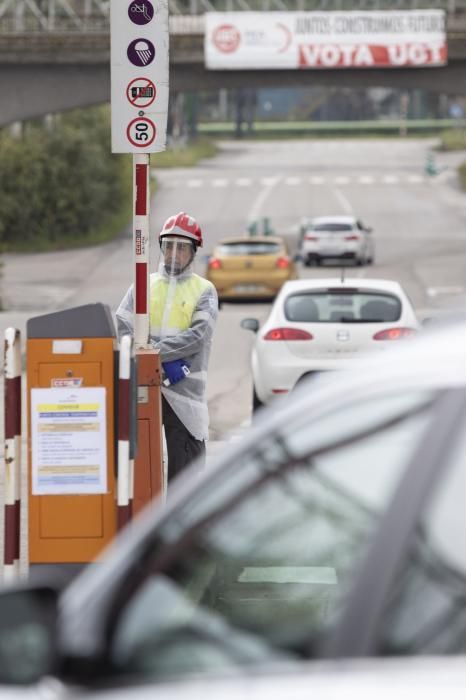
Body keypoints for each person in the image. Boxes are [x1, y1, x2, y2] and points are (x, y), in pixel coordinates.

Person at [116, 212, 218, 482]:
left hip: (183, 394)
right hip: (145, 387)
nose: (174, 253)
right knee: (140, 474)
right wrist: (151, 360)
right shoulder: (144, 284)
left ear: (193, 252)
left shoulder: (204, 290)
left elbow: (198, 336)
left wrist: (152, 352)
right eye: (168, 246)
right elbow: (123, 323)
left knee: (186, 478)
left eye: (182, 247)